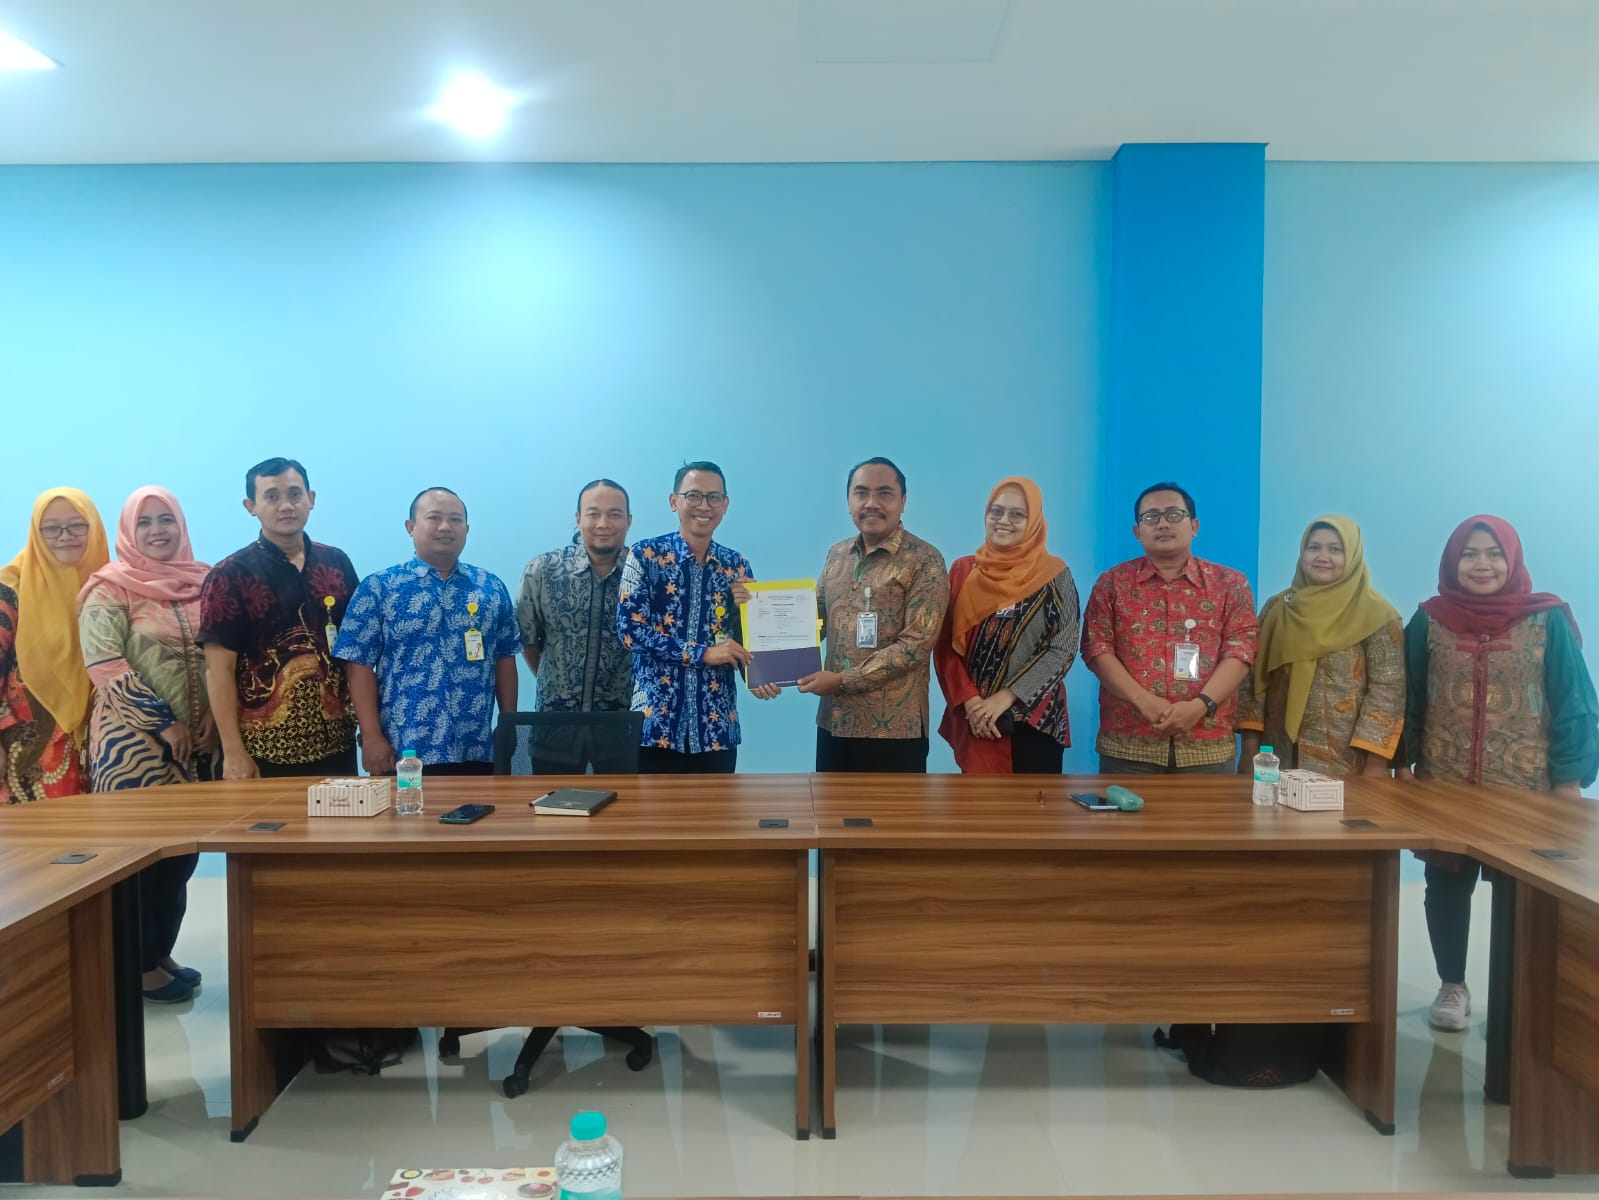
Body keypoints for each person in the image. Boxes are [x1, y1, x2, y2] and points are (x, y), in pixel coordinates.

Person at [1398, 515, 1599, 1033]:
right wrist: (1401, 765)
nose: (1481, 564)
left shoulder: (1548, 619)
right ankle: (1452, 985)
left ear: (1512, 559)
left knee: (1522, 893)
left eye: (1493, 554)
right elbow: (1408, 697)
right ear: (1452, 561)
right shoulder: (1429, 619)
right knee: (1446, 885)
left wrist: (1569, 782)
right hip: (1444, 783)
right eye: (1469, 554)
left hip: (1526, 790)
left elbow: (1575, 701)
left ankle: (1515, 999)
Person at [78, 486, 215, 1002]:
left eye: (166, 520)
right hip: (132, 748)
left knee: (181, 858)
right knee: (139, 859)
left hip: (199, 747)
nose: (158, 531)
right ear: (129, 531)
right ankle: (134, 967)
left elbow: (221, 652)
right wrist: (163, 723)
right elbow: (104, 663)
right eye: (145, 522)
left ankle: (158, 951)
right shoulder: (110, 588)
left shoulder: (204, 582)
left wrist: (215, 720)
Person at [333, 488, 520, 776]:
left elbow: (505, 659)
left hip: (478, 747)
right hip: (403, 750)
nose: (445, 527)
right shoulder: (379, 587)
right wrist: (371, 736)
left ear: (467, 529)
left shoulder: (490, 587)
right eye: (434, 518)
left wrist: (509, 726)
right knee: (403, 810)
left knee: (481, 807)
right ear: (411, 527)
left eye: (455, 519)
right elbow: (358, 666)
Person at [1081, 482, 1258, 774]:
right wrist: (1144, 701)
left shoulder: (1230, 584)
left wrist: (1200, 705)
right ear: (1138, 532)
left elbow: (1241, 653)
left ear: (1194, 526)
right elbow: (1096, 649)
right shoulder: (1111, 583)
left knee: (1209, 809)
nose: (1163, 523)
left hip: (1207, 745)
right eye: (1151, 517)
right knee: (1123, 807)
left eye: (1174, 514)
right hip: (1129, 745)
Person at [199, 458, 359, 779]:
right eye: (272, 496)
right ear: (251, 506)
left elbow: (357, 653)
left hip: (338, 742)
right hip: (265, 749)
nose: (286, 505)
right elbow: (218, 671)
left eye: (295, 494)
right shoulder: (230, 575)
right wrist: (234, 753)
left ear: (310, 499)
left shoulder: (336, 562)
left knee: (343, 813)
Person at [616, 461, 772, 773]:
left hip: (716, 728)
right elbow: (630, 631)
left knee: (716, 807)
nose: (704, 506)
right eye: (694, 496)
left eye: (714, 497)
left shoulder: (737, 565)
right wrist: (703, 653)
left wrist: (758, 674)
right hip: (657, 726)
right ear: (674, 501)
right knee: (652, 808)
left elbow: (742, 638)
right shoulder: (645, 555)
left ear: (725, 505)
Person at [801, 457, 948, 773]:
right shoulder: (837, 555)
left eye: (884, 493)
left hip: (894, 731)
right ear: (849, 501)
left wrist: (842, 680)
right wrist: (768, 658)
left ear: (903, 501)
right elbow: (813, 621)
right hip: (833, 722)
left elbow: (915, 646)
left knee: (893, 809)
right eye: (861, 493)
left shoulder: (926, 561)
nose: (871, 503)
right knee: (829, 805)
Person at [1238, 515, 1404, 779]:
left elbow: (1387, 691)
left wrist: (1375, 764)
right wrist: (1249, 751)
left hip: (1349, 761)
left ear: (1352, 555)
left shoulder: (1377, 614)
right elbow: (1253, 682)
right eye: (1313, 547)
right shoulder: (1278, 608)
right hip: (1278, 756)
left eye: (1335, 549)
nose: (1322, 556)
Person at [935, 476, 1079, 774]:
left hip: (1035, 720)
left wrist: (1006, 697)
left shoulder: (1055, 574)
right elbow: (945, 645)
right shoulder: (964, 570)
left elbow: (1062, 649)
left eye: (1017, 514)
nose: (1004, 520)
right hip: (977, 719)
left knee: (1034, 803)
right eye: (996, 511)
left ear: (1034, 521)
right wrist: (971, 702)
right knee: (980, 802)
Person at [515, 479, 636, 772]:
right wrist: (559, 683)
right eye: (593, 513)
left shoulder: (643, 573)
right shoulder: (543, 570)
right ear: (579, 518)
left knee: (623, 803)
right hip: (554, 729)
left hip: (622, 731)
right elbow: (527, 639)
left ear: (629, 521)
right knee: (553, 802)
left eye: (615, 514)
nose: (603, 523)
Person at [0, 488, 109, 803]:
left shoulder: (112, 586)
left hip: (100, 747)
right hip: (25, 750)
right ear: (36, 533)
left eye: (77, 525)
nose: (65, 536)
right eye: (52, 529)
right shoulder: (9, 590)